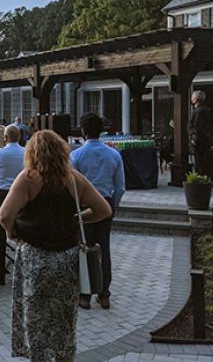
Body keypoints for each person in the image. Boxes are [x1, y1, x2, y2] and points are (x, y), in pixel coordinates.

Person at [0, 130, 112, 361]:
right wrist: (77, 218)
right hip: (66, 261)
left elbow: (3, 215)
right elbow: (104, 210)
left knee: (36, 320)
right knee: (64, 321)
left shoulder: (28, 179)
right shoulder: (73, 179)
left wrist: (12, 232)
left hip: (34, 260)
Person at [70, 113, 125, 310]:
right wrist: (113, 205)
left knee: (84, 249)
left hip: (84, 207)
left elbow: (73, 187)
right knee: (105, 249)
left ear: (83, 131)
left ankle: (84, 294)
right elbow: (120, 186)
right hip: (106, 202)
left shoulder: (76, 155)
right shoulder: (114, 154)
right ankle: (104, 294)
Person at [0, 124, 25, 285]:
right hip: (20, 196)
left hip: (0, 195)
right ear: (20, 137)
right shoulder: (25, 153)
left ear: (5, 137)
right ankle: (23, 272)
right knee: (23, 234)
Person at [188, 90, 213, 177]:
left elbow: (197, 126)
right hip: (205, 139)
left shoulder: (198, 111)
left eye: (192, 97)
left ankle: (199, 178)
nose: (191, 99)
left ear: (196, 99)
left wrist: (194, 138)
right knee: (204, 159)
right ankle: (205, 177)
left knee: (199, 160)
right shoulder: (206, 110)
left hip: (199, 140)